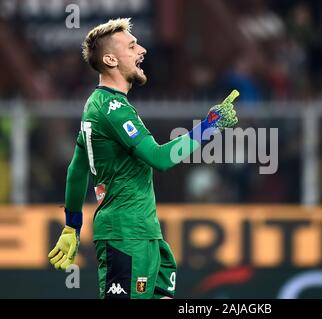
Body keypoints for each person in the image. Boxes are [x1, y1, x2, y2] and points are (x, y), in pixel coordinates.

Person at [47, 18, 238, 299]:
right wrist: (208, 127)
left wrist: (72, 225)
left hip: (146, 235)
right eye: (132, 45)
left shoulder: (99, 106)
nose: (142, 50)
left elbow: (77, 170)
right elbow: (159, 158)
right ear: (111, 59)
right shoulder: (112, 109)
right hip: (126, 237)